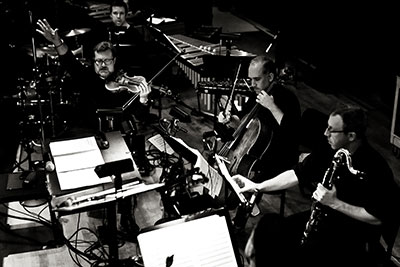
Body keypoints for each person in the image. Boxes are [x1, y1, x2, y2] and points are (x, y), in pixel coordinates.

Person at [232, 105, 400, 267]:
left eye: (332, 130)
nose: (325, 133)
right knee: (276, 236)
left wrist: (335, 203)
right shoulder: (330, 148)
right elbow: (298, 173)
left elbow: (378, 217)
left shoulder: (376, 168)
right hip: (326, 216)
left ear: (351, 136)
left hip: (353, 234)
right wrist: (258, 186)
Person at [36, 18, 153, 240]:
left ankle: (127, 216)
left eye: (107, 62)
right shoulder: (87, 78)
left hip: (118, 137)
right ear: (93, 62)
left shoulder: (126, 84)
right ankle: (103, 213)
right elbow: (69, 61)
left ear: (115, 61)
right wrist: (57, 41)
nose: (102, 66)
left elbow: (141, 117)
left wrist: (144, 99)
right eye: (98, 62)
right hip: (91, 134)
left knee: (126, 169)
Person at [216, 55, 301, 224]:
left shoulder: (288, 98)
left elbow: (292, 133)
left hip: (280, 156)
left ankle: (241, 216)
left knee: (250, 171)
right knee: (236, 166)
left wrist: (271, 106)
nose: (252, 84)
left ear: (270, 77)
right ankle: (233, 200)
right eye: (250, 79)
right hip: (258, 151)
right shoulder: (256, 93)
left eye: (256, 79)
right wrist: (230, 120)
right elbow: (244, 122)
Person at [107, 0, 147, 71]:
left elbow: (142, 59)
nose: (118, 16)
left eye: (121, 13)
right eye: (115, 13)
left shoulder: (135, 33)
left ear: (126, 15)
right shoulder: (108, 31)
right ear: (110, 15)